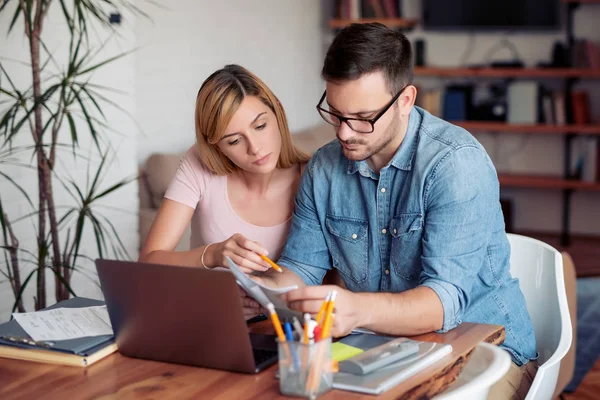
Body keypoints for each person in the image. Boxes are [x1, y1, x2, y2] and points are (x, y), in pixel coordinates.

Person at [250, 23, 537, 399]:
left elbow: (442, 301)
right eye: (335, 113)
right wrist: (259, 288)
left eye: (363, 117)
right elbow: (301, 270)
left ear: (405, 100)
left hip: (485, 351)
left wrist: (357, 310)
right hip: (381, 350)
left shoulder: (455, 165)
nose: (344, 133)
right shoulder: (323, 169)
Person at [139, 64, 309, 318]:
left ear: (278, 111)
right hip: (207, 320)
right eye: (234, 140)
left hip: (282, 328)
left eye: (260, 126)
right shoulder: (199, 164)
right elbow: (148, 265)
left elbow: (322, 280)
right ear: (216, 146)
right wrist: (213, 255)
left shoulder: (313, 175)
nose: (255, 148)